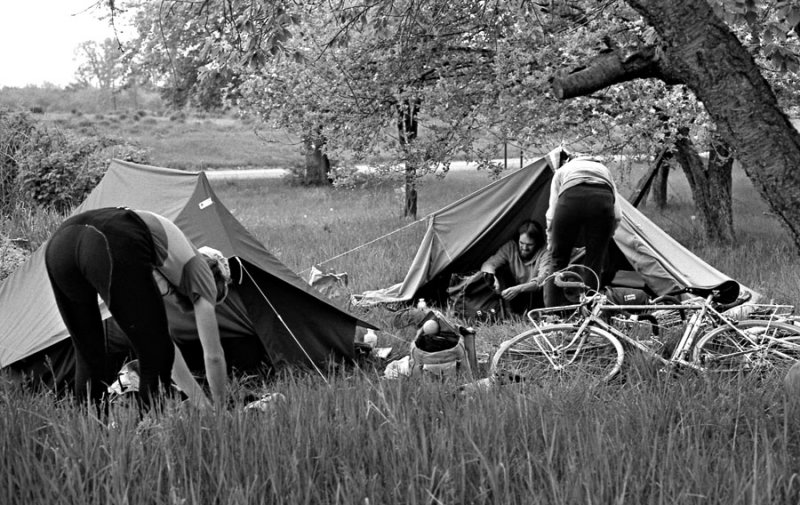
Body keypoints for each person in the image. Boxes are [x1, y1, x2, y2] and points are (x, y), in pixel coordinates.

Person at [44, 207, 229, 411]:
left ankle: (89, 431)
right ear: (216, 281)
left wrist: (202, 404)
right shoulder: (201, 271)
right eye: (214, 297)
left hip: (61, 244)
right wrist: (219, 410)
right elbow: (213, 355)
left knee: (90, 356)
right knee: (155, 355)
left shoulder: (167, 262)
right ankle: (150, 429)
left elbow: (164, 344)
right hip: (110, 237)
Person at [544, 156, 622, 307]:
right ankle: (590, 314)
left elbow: (551, 214)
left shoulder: (562, 170)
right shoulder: (605, 171)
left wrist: (551, 242)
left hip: (570, 201)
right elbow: (618, 215)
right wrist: (607, 235)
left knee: (557, 261)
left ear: (571, 160)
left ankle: (550, 316)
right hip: (602, 202)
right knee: (594, 264)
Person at [480, 219, 550, 314]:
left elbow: (542, 280)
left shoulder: (545, 252)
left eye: (529, 245)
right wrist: (492, 277)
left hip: (537, 296)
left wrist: (519, 289)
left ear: (537, 243)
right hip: (513, 293)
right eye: (521, 243)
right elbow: (489, 264)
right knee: (498, 272)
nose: (524, 248)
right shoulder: (511, 247)